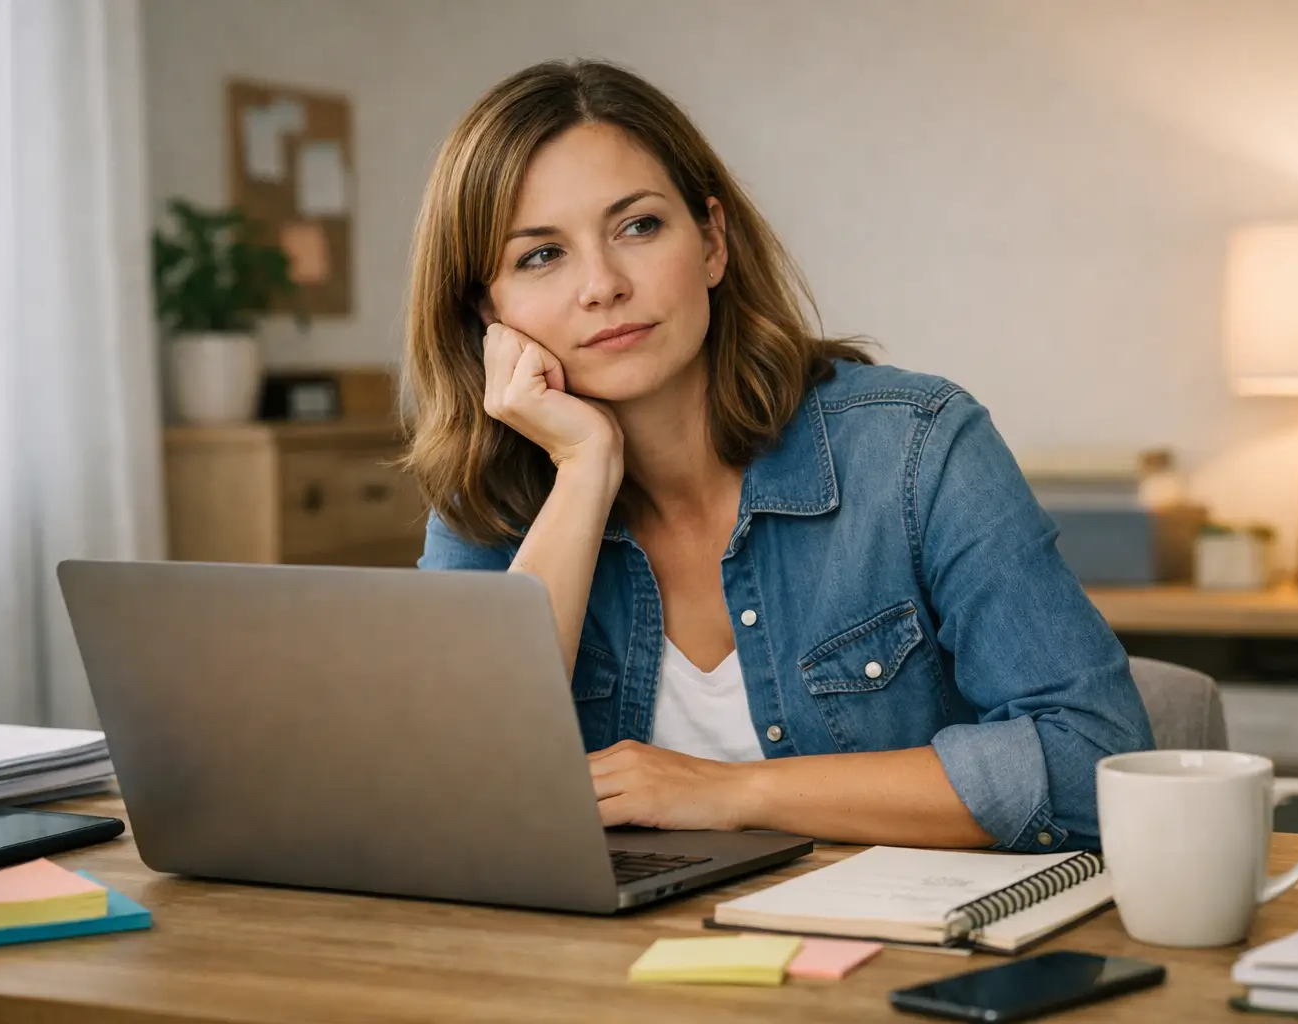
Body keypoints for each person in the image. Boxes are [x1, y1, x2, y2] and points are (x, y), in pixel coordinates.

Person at [405, 59, 1153, 853]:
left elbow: (1095, 761)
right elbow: (448, 791)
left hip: (886, 927)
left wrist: (730, 793)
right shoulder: (485, 500)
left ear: (712, 242)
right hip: (611, 934)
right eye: (540, 256)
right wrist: (585, 470)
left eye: (638, 226)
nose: (602, 285)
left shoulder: (916, 448)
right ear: (489, 309)